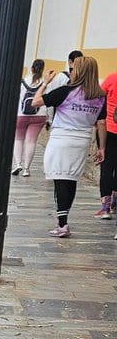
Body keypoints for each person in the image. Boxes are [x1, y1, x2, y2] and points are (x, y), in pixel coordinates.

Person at [33, 53, 106, 237]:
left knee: (60, 179)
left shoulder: (66, 91)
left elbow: (36, 102)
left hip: (62, 138)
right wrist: (101, 147)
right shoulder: (99, 96)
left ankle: (62, 224)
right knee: (71, 179)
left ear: (78, 70)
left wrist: (45, 83)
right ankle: (63, 220)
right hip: (82, 140)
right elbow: (101, 123)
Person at [12, 58, 47, 177]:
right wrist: (50, 119)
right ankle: (27, 169)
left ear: (31, 68)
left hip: (21, 114)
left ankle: (18, 164)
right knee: (31, 141)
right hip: (40, 115)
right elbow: (49, 101)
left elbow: (16, 99)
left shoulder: (23, 81)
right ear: (43, 69)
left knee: (18, 139)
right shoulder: (45, 83)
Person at [100, 65, 117, 222]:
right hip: (111, 129)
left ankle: (105, 208)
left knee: (106, 167)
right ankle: (114, 202)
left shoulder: (112, 78)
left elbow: (99, 97)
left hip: (109, 129)